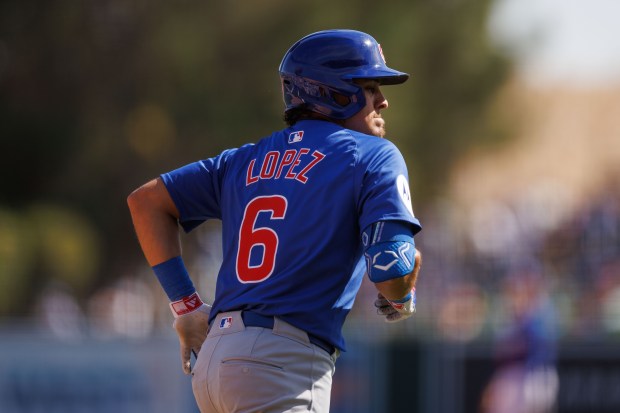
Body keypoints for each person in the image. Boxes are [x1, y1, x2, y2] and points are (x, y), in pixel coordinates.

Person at [127, 29, 423, 413]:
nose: (382, 102)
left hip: (218, 356)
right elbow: (389, 268)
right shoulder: (373, 155)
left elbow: (146, 202)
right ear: (333, 92)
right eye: (369, 87)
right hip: (282, 362)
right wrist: (404, 294)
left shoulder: (243, 159)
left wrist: (186, 307)